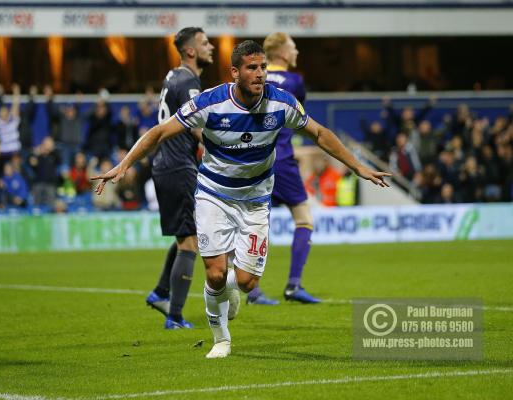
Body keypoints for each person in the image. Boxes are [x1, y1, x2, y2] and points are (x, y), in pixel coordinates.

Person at [92, 40, 390, 358]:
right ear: (235, 72)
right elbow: (159, 133)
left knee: (246, 282)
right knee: (215, 272)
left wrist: (358, 166)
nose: (260, 74)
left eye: (262, 67)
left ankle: (232, 290)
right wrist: (122, 166)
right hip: (213, 194)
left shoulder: (282, 103)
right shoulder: (210, 103)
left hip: (256, 197)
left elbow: (319, 133)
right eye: (252, 68)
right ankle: (222, 339)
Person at [237, 31, 319, 305]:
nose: (296, 52)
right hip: (282, 159)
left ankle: (253, 289)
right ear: (283, 52)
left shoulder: (254, 78)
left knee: (256, 223)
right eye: (293, 47)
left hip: (252, 159)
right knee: (304, 218)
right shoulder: (295, 81)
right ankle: (294, 285)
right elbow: (299, 118)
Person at [144, 26, 214, 329]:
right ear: (190, 51)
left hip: (166, 164)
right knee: (190, 242)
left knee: (187, 234)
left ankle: (160, 292)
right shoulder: (188, 80)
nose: (211, 46)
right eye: (205, 43)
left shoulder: (173, 76)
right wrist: (225, 147)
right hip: (178, 165)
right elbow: (196, 125)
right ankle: (174, 315)